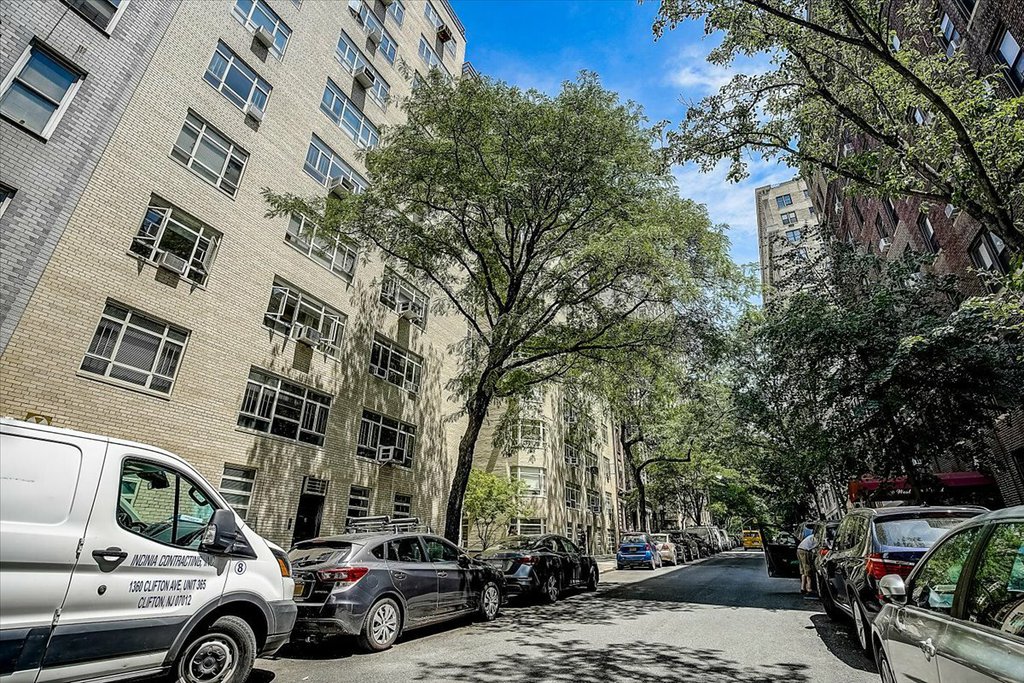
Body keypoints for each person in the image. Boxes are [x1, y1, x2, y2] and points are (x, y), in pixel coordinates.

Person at [797, 531, 817, 598]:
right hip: (805, 550)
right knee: (808, 570)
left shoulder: (811, 536)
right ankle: (809, 589)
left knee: (803, 570)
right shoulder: (817, 537)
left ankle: (803, 588)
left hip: (799, 549)